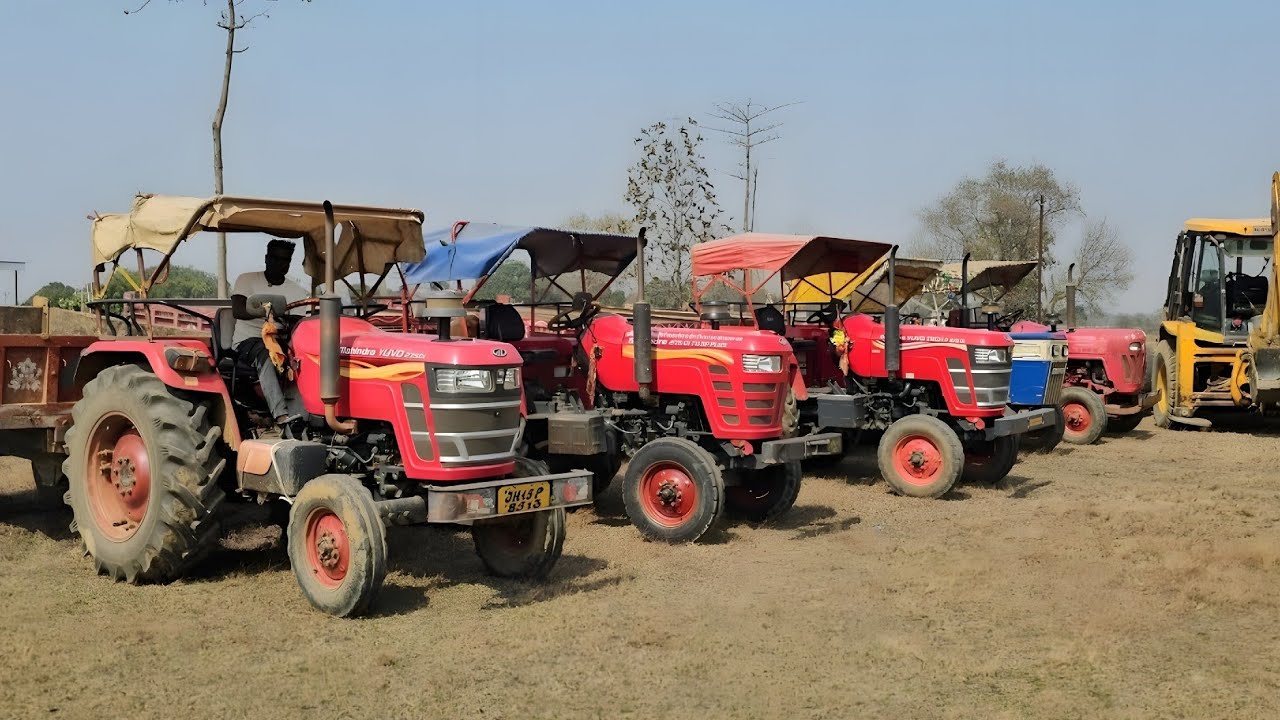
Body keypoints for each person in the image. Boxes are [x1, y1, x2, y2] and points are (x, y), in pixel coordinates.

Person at [231, 239, 310, 425]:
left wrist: (280, 319)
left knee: (308, 358)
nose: (279, 263)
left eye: (285, 260)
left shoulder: (296, 290)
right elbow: (238, 309)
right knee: (268, 355)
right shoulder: (247, 280)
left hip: (280, 339)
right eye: (274, 258)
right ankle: (282, 415)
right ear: (266, 258)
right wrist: (268, 311)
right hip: (249, 341)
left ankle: (311, 411)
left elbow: (297, 321)